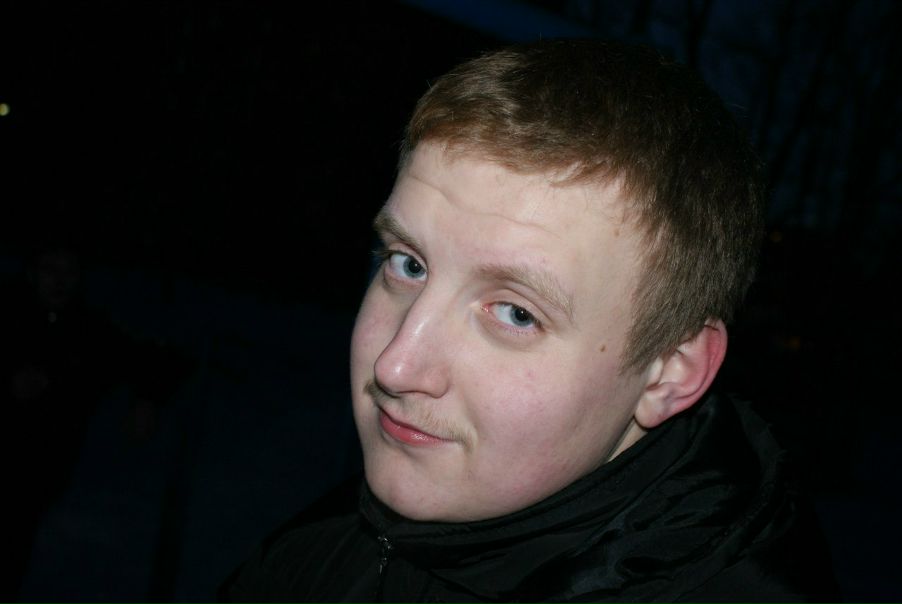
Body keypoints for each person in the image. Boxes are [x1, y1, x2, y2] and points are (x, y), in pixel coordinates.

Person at [221, 38, 838, 602]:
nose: (396, 365)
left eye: (516, 313)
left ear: (669, 373)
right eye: (408, 265)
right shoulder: (321, 547)